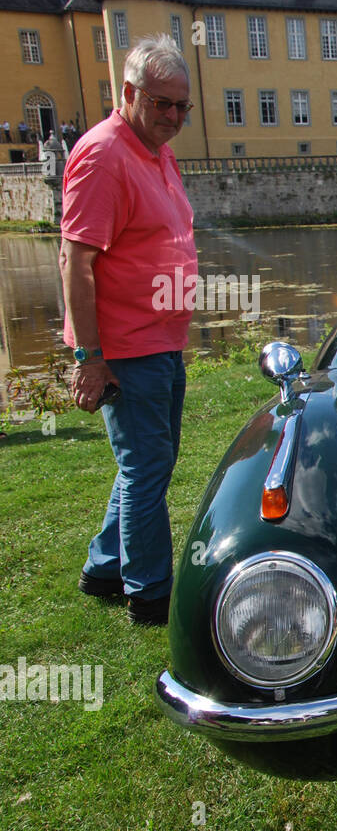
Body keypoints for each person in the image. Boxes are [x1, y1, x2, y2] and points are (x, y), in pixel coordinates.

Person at [60, 35, 197, 626]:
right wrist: (91, 357)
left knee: (150, 462)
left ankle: (103, 566)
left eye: (181, 107)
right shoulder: (103, 154)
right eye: (161, 103)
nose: (172, 117)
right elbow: (75, 261)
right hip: (127, 345)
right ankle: (149, 592)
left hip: (162, 339)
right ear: (128, 93)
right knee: (146, 465)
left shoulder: (156, 151)